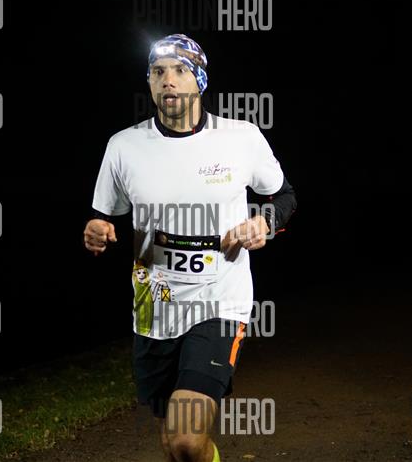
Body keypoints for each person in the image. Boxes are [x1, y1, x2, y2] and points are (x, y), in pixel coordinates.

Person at [83, 33, 296, 462]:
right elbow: (103, 216)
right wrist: (96, 229)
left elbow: (284, 198)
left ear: (199, 79)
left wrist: (263, 223)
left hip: (219, 301)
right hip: (154, 305)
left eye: (180, 70)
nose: (168, 80)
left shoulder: (241, 137)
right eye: (158, 72)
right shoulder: (123, 146)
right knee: (175, 446)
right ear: (149, 82)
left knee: (184, 436)